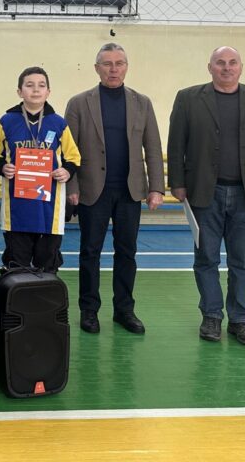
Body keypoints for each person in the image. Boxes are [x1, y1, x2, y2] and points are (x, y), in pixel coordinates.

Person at [167, 46, 245, 346]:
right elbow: (176, 142)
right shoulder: (188, 98)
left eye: (233, 63)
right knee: (205, 259)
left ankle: (240, 321)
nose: (227, 68)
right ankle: (211, 316)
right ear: (210, 67)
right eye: (220, 63)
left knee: (243, 261)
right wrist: (177, 183)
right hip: (204, 192)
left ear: (241, 67)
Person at [64, 43, 165, 335]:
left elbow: (153, 147)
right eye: (107, 64)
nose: (113, 69)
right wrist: (72, 186)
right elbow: (68, 150)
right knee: (90, 252)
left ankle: (124, 310)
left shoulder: (142, 103)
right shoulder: (79, 103)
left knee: (127, 252)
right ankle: (89, 311)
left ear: (126, 67)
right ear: (97, 68)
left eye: (119, 63)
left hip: (130, 191)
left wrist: (156, 188)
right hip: (92, 190)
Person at [0, 67, 80, 274]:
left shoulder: (58, 123)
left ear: (48, 92)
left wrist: (67, 171)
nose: (36, 90)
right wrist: (2, 167)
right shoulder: (6, 121)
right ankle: (15, 295)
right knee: (16, 267)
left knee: (47, 266)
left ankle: (47, 296)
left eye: (41, 85)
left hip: (49, 208)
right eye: (29, 85)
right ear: (19, 91)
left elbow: (73, 157)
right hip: (16, 208)